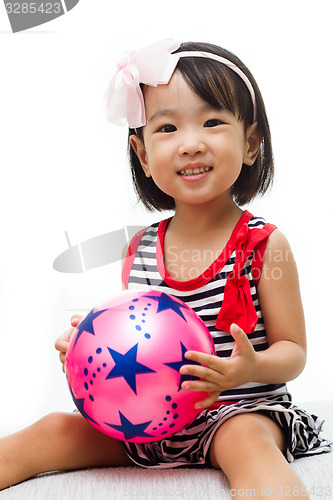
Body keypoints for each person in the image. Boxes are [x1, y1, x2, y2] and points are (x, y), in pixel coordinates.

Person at [0, 39, 331, 497]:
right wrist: (84, 351)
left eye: (213, 122)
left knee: (247, 442)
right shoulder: (140, 249)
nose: (190, 144)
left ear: (250, 142)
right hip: (149, 423)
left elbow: (293, 351)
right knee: (53, 429)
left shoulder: (263, 245)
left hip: (236, 411)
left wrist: (246, 367)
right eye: (167, 128)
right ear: (142, 155)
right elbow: (139, 337)